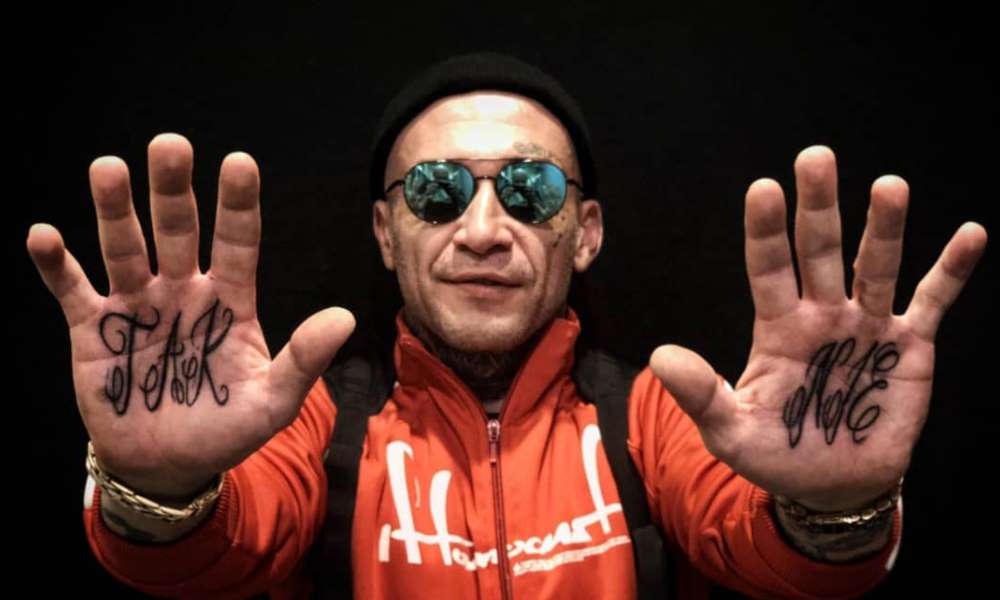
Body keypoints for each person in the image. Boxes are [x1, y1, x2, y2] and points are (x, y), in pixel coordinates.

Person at [26, 52, 986, 599]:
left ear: (586, 233)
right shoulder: (311, 422)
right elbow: (228, 549)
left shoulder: (654, 418)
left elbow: (758, 547)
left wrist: (832, 514)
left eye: (530, 189)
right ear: (386, 232)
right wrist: (160, 492)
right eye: (436, 191)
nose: (484, 229)